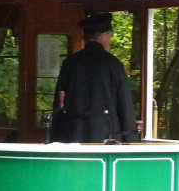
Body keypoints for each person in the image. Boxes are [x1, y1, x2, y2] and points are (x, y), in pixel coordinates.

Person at [50, 12, 139, 143]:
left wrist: (54, 137)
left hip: (72, 136)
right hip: (105, 137)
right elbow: (124, 105)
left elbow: (59, 103)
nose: (110, 40)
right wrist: (131, 140)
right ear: (103, 36)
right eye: (110, 35)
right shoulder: (113, 64)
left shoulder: (69, 63)